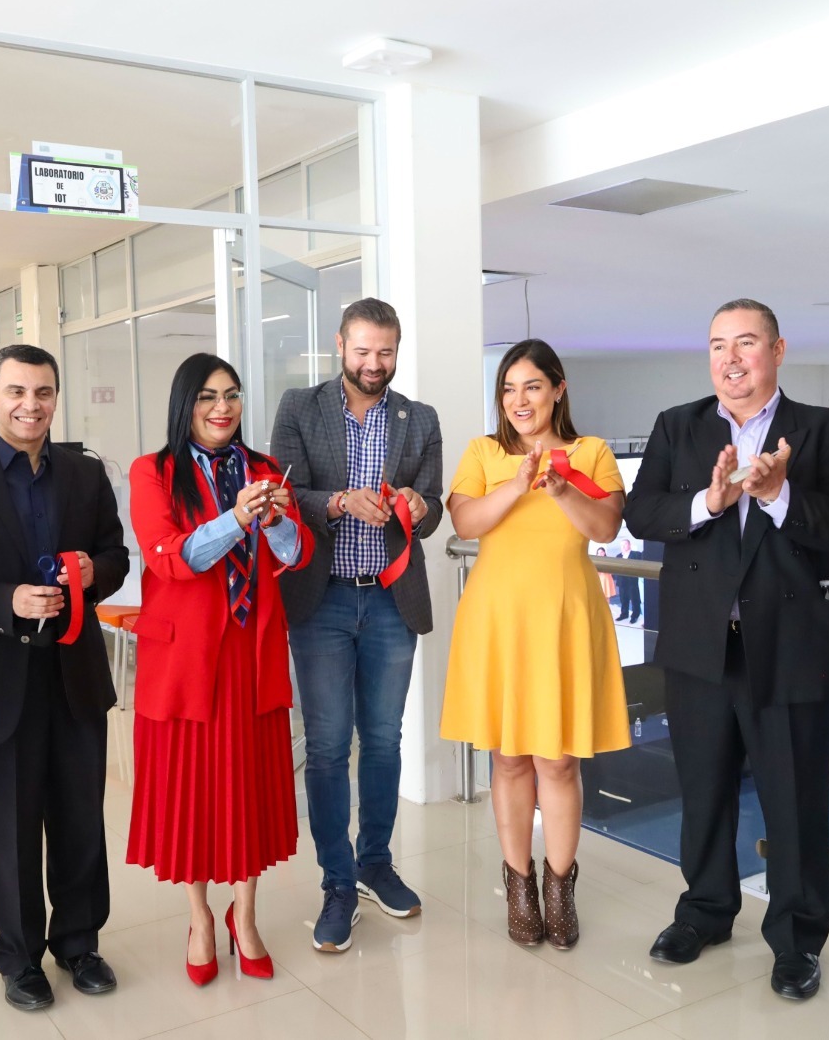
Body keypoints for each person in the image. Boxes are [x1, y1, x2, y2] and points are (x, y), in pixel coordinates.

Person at [624, 299, 829, 1002]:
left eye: (746, 343)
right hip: (701, 646)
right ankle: (704, 911)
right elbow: (642, 511)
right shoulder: (678, 425)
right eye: (717, 345)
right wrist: (709, 503)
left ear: (777, 351)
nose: (730, 359)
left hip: (790, 648)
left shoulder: (826, 430)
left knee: (796, 803)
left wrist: (780, 494)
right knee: (703, 791)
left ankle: (797, 940)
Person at [0, 344, 130, 1010]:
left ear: (55, 397)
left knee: (79, 817)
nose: (30, 405)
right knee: (7, 826)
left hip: (74, 674)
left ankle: (79, 943)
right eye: (16, 391)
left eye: (42, 392)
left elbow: (116, 555)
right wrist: (3, 599)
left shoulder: (85, 474)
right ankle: (19, 958)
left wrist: (95, 573)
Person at [127, 354, 313, 984]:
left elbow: (297, 553)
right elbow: (170, 558)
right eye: (208, 396)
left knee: (248, 791)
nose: (222, 407)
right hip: (185, 658)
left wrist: (277, 522)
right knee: (193, 795)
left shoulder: (264, 468)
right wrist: (236, 520)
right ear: (186, 403)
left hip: (249, 652)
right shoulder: (153, 472)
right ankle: (200, 918)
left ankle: (247, 915)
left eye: (231, 395)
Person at [441, 339, 629, 950]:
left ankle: (560, 884)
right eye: (508, 389)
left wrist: (560, 488)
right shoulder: (483, 452)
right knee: (509, 758)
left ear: (558, 389)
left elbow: (606, 526)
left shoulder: (591, 452)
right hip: (499, 620)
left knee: (559, 760)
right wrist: (518, 482)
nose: (519, 400)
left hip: (564, 618)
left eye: (532, 386)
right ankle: (519, 882)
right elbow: (465, 522)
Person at [270, 297, 444, 952]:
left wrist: (418, 506)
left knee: (383, 739)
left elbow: (432, 509)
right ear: (340, 344)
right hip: (324, 601)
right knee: (326, 745)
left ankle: (375, 863)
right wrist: (340, 502)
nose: (375, 364)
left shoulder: (419, 419)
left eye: (386, 352)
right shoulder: (300, 407)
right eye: (364, 350)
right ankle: (337, 882)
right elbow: (286, 493)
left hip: (392, 601)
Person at [611, 536, 642, 623]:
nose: (623, 546)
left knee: (634, 599)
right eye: (622, 545)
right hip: (622, 582)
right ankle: (624, 614)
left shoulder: (636, 554)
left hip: (632, 582)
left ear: (629, 545)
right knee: (623, 599)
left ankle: (635, 615)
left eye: (625, 544)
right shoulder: (618, 556)